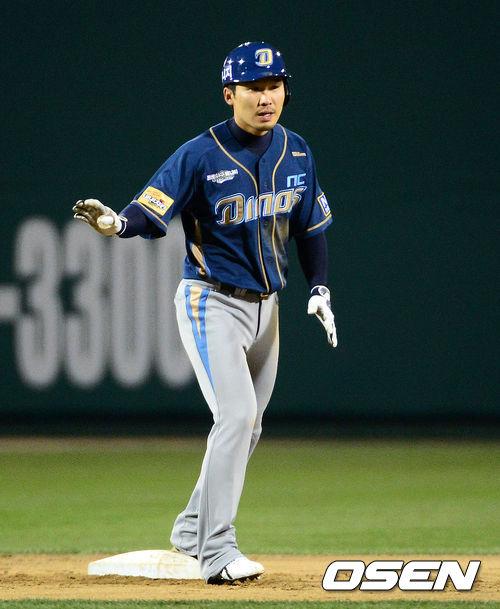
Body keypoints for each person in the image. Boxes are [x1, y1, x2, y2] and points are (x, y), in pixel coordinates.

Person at [73, 41, 337, 584]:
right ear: (229, 94)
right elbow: (150, 209)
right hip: (211, 301)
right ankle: (217, 553)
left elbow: (311, 228)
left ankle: (191, 529)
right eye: (253, 87)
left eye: (274, 85)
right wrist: (117, 225)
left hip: (268, 309)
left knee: (248, 426)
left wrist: (320, 287)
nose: (266, 97)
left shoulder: (297, 151)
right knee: (235, 417)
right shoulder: (200, 154)